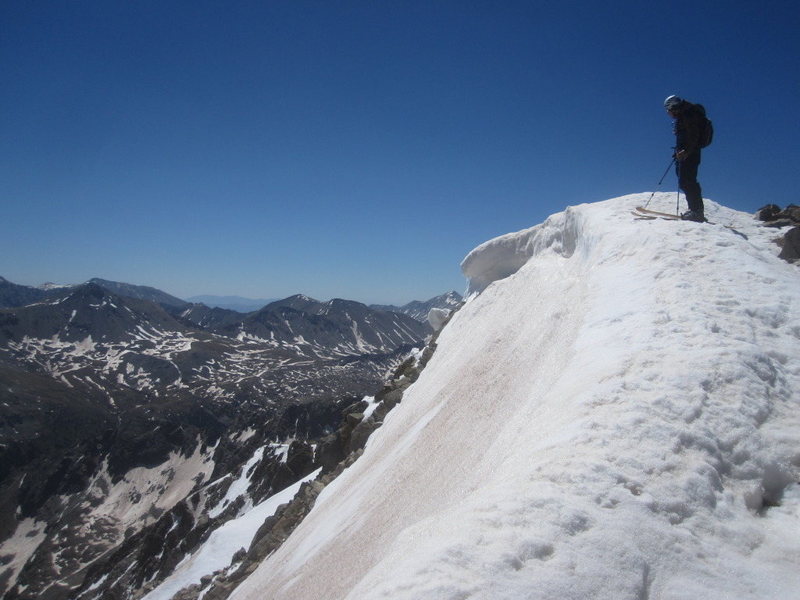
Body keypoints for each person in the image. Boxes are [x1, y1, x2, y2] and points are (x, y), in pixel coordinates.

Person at [664, 95, 705, 222]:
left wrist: (686, 151)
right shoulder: (685, 115)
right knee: (686, 180)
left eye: (668, 109)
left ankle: (696, 211)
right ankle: (695, 210)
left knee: (687, 180)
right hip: (686, 153)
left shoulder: (688, 115)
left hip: (689, 154)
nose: (668, 113)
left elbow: (693, 136)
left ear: (672, 106)